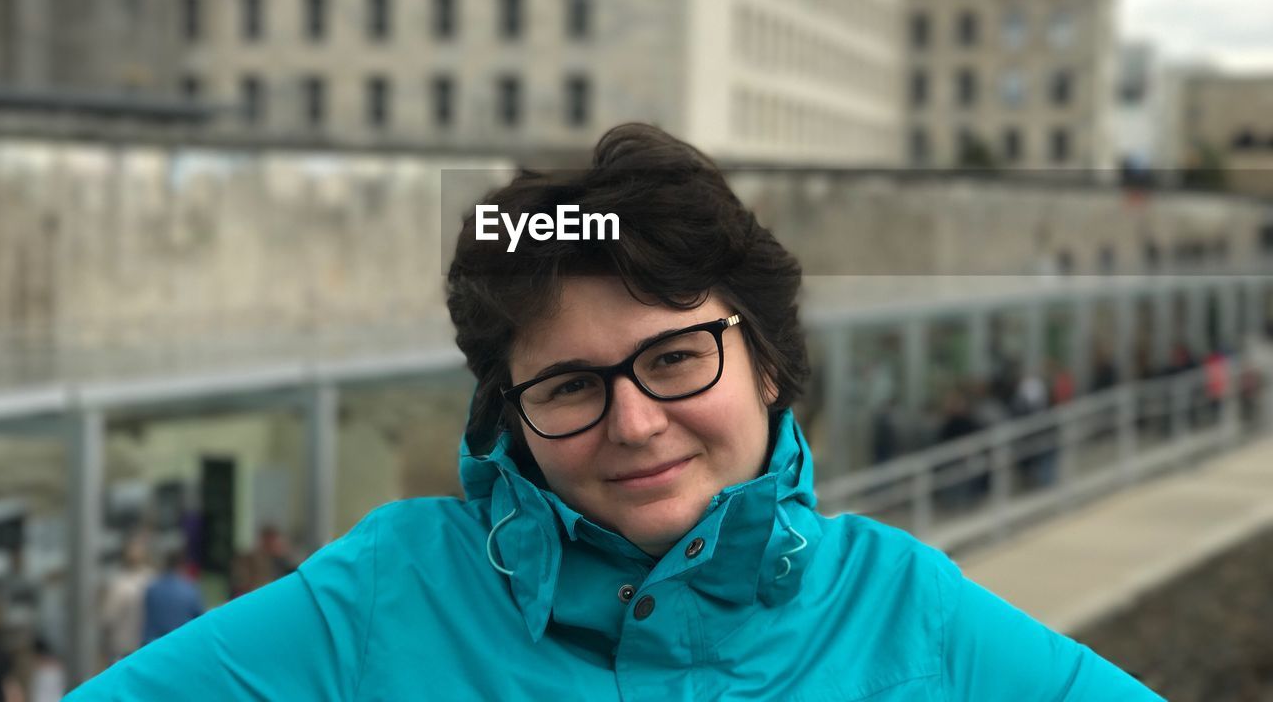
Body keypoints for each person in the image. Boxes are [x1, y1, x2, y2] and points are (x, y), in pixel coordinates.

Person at [65, 123, 1163, 700]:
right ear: (512, 412)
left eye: (675, 357)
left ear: (767, 364)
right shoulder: (384, 597)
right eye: (570, 385)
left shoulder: (905, 614)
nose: (632, 424)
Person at [98, 533, 154, 665]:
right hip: (141, 648)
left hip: (125, 649)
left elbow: (107, 618)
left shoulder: (119, 582)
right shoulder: (152, 579)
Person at [140, 551, 203, 646]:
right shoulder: (191, 590)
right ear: (182, 565)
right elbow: (198, 620)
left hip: (154, 644)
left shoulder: (153, 589)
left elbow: (147, 621)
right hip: (180, 645)